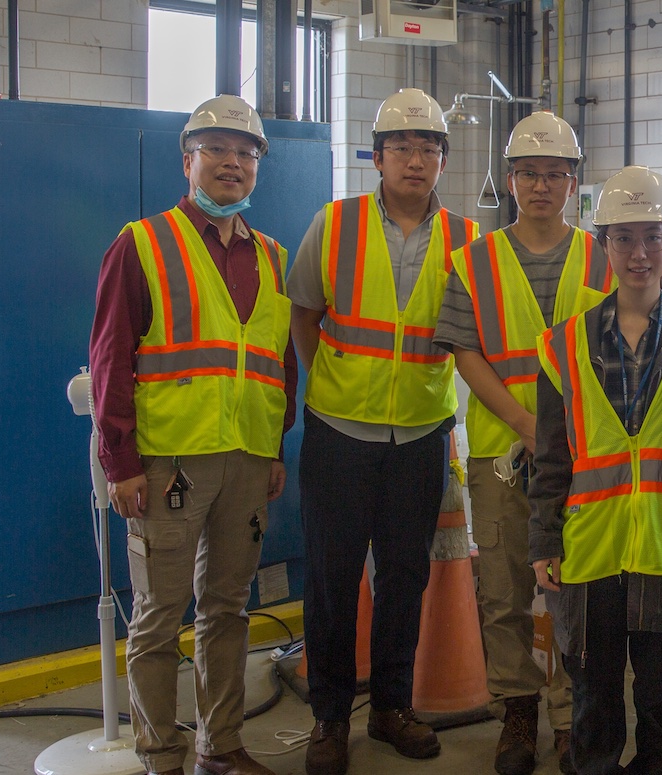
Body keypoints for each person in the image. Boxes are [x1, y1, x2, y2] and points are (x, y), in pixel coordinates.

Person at [89, 94, 295, 775]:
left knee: (229, 609)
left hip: (246, 460)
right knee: (157, 618)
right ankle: (161, 756)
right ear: (190, 160)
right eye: (219, 150)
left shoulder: (270, 255)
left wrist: (272, 446)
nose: (233, 164)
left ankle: (221, 745)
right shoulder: (141, 244)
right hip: (166, 463)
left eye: (246, 153)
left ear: (257, 167)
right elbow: (112, 359)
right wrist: (121, 463)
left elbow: (276, 363)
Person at [289, 88, 479, 774]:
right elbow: (304, 313)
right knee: (335, 580)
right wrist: (332, 387)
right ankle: (330, 718)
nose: (416, 159)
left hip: (423, 434)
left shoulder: (466, 240)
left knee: (405, 577)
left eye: (429, 148)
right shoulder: (333, 225)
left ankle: (391, 707)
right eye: (401, 146)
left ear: (443, 163)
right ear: (376, 158)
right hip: (338, 433)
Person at [528, 166, 662, 775]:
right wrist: (544, 539)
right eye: (623, 238)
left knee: (661, 694)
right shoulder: (563, 345)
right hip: (588, 551)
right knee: (592, 692)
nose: (639, 253)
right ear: (603, 246)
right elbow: (551, 459)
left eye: (653, 237)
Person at [434, 111, 607, 775]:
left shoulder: (600, 257)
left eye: (555, 174)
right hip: (501, 454)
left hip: (584, 458)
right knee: (505, 588)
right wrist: (530, 425)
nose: (541, 185)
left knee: (573, 587)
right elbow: (465, 352)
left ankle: (568, 713)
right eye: (529, 173)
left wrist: (561, 434)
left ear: (572, 183)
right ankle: (517, 710)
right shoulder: (474, 260)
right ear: (510, 181)